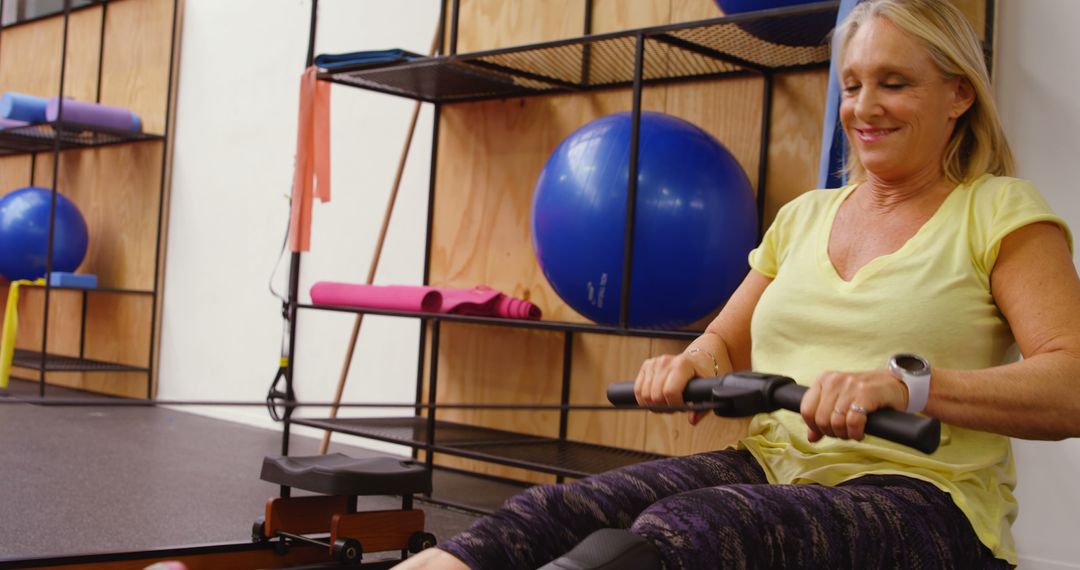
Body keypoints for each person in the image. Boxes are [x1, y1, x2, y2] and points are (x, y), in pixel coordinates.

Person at [397, 0, 1080, 567]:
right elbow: (725, 341)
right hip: (769, 462)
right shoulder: (806, 216)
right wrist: (691, 363)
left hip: (926, 500)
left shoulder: (998, 211)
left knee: (690, 531)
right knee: (553, 512)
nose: (864, 107)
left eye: (894, 83)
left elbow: (1070, 385)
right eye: (851, 84)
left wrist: (909, 385)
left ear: (958, 92)